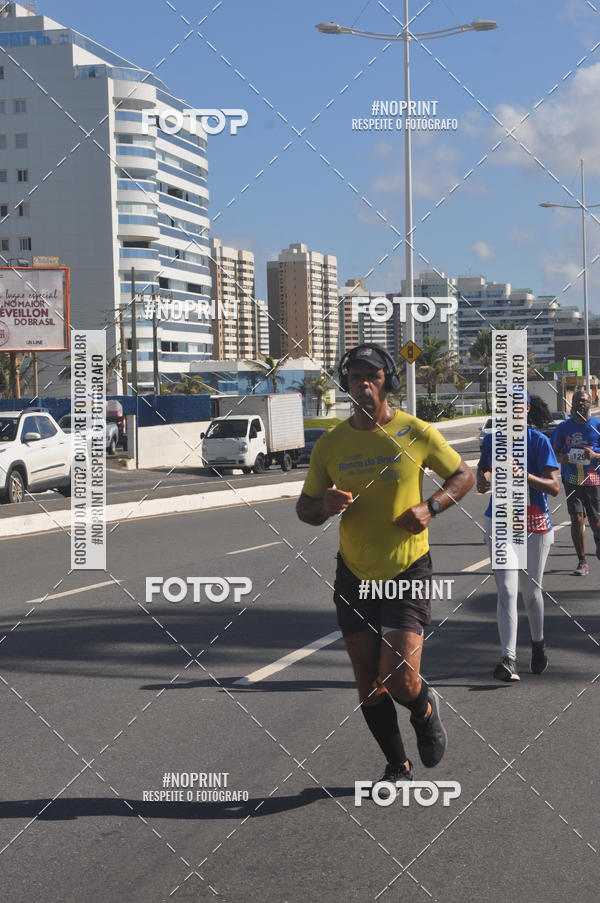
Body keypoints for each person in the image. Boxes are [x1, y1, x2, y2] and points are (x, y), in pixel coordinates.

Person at [296, 343, 474, 787]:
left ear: (387, 381)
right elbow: (304, 508)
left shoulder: (416, 432)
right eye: (355, 377)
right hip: (353, 572)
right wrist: (324, 505)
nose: (363, 384)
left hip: (407, 569)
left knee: (398, 677)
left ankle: (423, 707)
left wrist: (431, 507)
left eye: (371, 376)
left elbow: (464, 475)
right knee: (365, 675)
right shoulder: (332, 444)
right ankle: (398, 765)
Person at [477, 393, 559, 681]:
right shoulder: (492, 440)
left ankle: (537, 643)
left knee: (530, 592)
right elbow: (481, 480)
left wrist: (523, 474)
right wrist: (483, 479)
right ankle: (508, 658)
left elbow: (554, 487)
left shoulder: (539, 442)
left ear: (525, 409)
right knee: (507, 591)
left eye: (516, 406)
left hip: (534, 521)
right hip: (500, 521)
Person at [550, 388, 600, 576]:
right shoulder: (563, 427)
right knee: (577, 518)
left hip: (594, 477)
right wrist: (561, 457)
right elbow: (552, 450)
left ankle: (597, 539)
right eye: (576, 400)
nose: (580, 403)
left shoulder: (597, 425)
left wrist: (595, 455)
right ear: (571, 405)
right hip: (571, 478)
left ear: (590, 404)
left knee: (596, 522)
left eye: (583, 400)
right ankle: (582, 562)